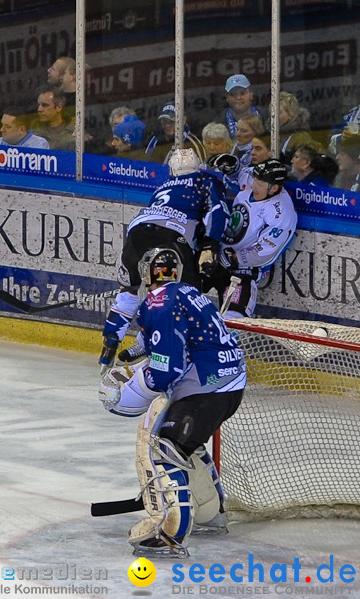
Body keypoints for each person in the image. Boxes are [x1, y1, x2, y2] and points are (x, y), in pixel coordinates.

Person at [98, 247, 245, 557]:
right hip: (229, 383)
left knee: (166, 447)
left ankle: (169, 533)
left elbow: (167, 370)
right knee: (186, 444)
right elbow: (160, 340)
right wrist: (130, 357)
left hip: (206, 388)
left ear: (145, 271)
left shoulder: (159, 303)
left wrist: (134, 388)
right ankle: (211, 514)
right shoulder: (187, 292)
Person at [99, 148, 228, 369]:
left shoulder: (163, 187)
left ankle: (111, 342)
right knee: (183, 298)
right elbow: (219, 211)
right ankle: (167, 351)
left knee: (130, 290)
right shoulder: (205, 181)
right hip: (172, 237)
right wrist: (210, 245)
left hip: (138, 232)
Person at [199, 158, 297, 320]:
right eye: (255, 180)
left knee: (234, 319)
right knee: (179, 293)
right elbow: (241, 174)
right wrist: (233, 167)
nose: (253, 185)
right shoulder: (256, 180)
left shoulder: (282, 214)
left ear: (274, 188)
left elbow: (265, 252)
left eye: (259, 183)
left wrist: (233, 259)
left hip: (241, 271)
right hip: (215, 254)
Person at [217, 73, 261, 139]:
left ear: (251, 94)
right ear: (227, 97)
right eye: (233, 94)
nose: (238, 97)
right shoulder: (218, 122)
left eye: (242, 93)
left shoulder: (267, 116)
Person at [276, 91, 316, 164]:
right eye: (272, 112)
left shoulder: (302, 138)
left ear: (290, 114)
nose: (274, 116)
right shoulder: (276, 136)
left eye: (279, 112)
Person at [32, 86, 74, 151]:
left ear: (59, 107)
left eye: (45, 105)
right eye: (39, 105)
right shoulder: (34, 132)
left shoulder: (76, 132)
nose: (39, 109)